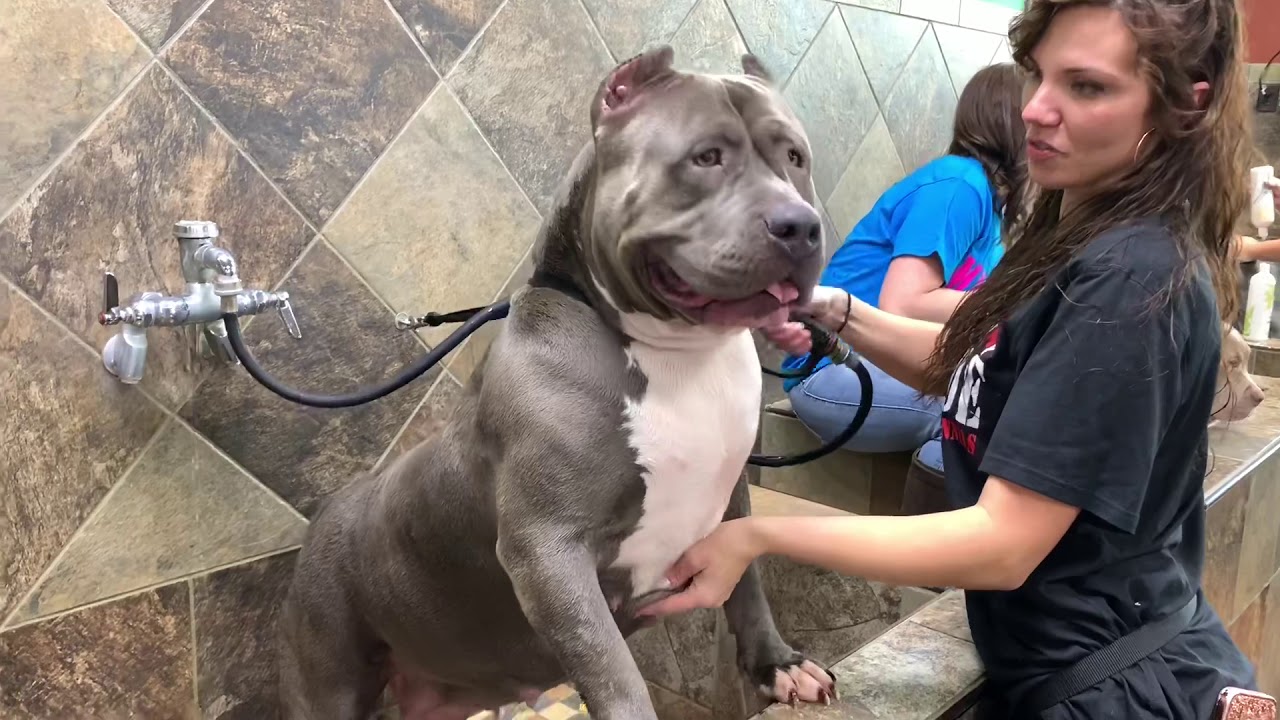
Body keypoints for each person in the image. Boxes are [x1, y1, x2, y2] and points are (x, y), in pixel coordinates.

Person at [642, 1, 1259, 717]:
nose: (1037, 108)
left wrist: (757, 535)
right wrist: (832, 307)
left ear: (1183, 104)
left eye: (1086, 87)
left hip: (1111, 689)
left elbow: (1003, 543)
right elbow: (972, 366)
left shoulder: (1132, 275)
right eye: (1037, 75)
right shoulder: (1078, 226)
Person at [778, 62, 1027, 477]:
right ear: (1012, 120)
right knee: (980, 409)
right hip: (832, 374)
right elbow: (905, 303)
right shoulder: (960, 184)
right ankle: (938, 529)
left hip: (877, 367)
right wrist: (1013, 306)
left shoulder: (987, 202)